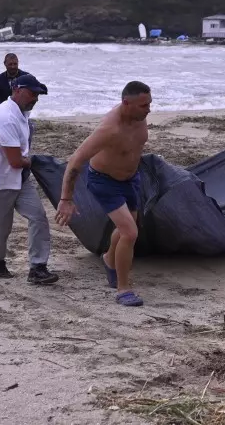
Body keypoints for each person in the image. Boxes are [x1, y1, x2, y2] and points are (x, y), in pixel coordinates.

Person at [55, 81, 152, 307]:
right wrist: (66, 199)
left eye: (149, 104)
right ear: (126, 103)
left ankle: (109, 259)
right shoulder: (109, 129)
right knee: (130, 233)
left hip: (131, 179)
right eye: (143, 105)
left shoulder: (139, 116)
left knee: (126, 229)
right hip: (105, 182)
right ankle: (123, 289)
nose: (148, 109)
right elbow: (76, 161)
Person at [0, 73, 58, 285]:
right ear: (17, 90)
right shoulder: (5, 117)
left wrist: (30, 163)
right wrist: (37, 162)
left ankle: (38, 268)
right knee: (3, 228)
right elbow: (14, 160)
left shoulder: (21, 112)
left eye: (38, 95)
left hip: (20, 179)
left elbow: (19, 157)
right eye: (32, 94)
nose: (36, 99)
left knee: (38, 217)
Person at [0, 53, 30, 119]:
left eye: (15, 64)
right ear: (5, 64)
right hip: (3, 114)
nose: (13, 67)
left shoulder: (27, 77)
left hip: (22, 114)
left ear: (18, 63)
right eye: (10, 64)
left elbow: (33, 97)